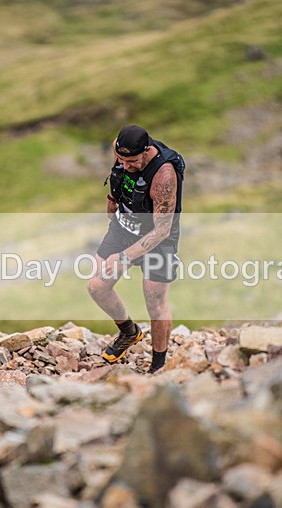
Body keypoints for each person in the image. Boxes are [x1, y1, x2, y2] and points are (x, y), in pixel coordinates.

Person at [87, 125, 186, 373]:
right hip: (124, 226)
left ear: (146, 151)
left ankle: (158, 366)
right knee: (97, 286)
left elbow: (162, 230)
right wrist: (112, 200)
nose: (126, 165)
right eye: (122, 159)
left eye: (131, 161)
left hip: (158, 238)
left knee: (155, 302)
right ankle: (129, 332)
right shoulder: (119, 148)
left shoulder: (164, 174)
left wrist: (123, 257)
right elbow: (117, 173)